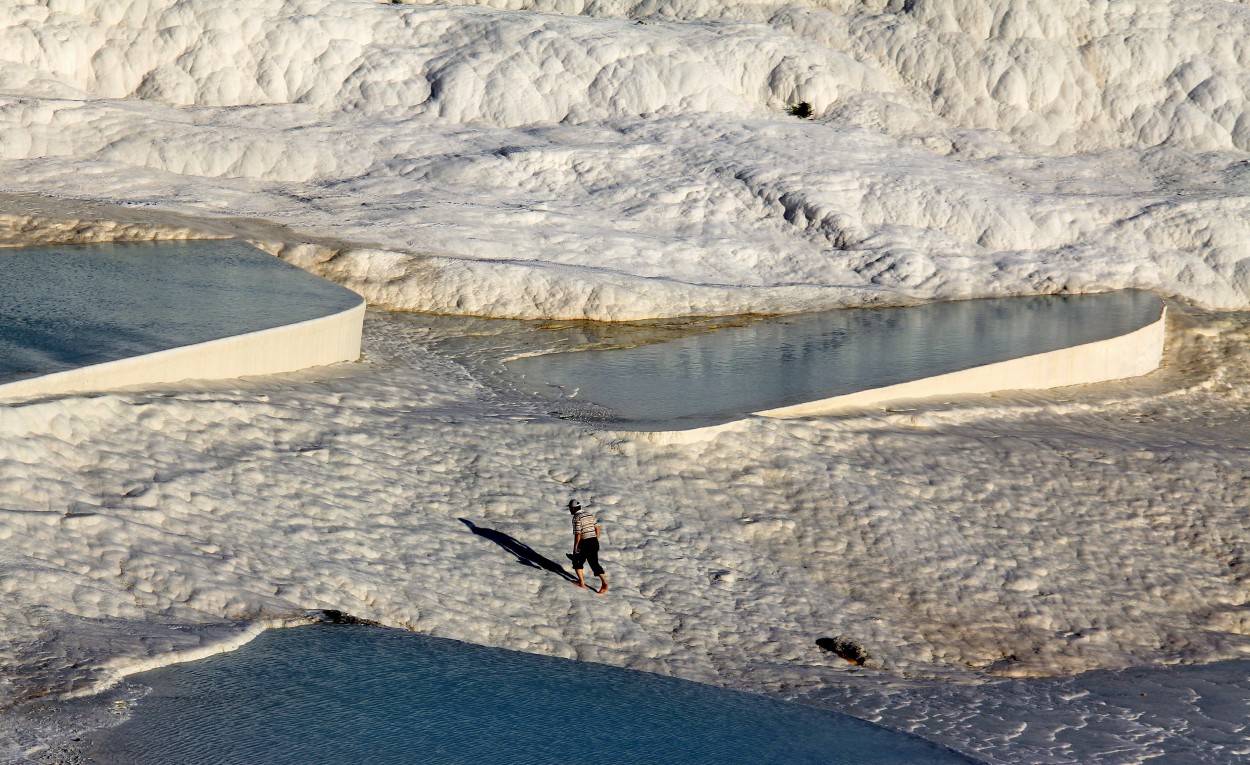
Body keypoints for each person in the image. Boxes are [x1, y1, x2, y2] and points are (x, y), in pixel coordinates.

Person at [567, 499, 608, 594]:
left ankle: (581, 582)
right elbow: (597, 528)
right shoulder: (589, 514)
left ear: (573, 509)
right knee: (594, 563)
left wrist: (575, 548)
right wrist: (595, 539)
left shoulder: (576, 518)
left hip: (584, 542)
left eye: (570, 508)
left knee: (577, 561)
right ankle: (604, 583)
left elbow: (578, 535)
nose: (569, 510)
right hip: (594, 541)